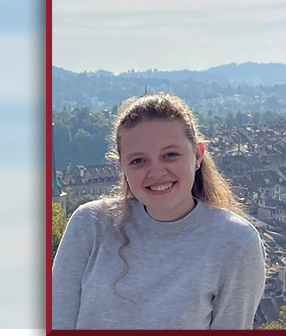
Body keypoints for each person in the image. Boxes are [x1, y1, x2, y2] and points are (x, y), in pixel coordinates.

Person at [52, 93, 266, 330]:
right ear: (122, 166)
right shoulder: (90, 224)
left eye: (170, 155)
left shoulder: (235, 242)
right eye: (138, 161)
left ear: (197, 156)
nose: (156, 172)